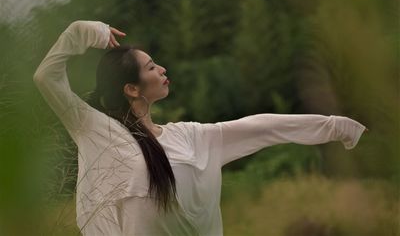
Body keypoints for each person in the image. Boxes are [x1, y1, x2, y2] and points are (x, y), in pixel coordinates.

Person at [33, 20, 368, 236]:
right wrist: (83, 32)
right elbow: (46, 77)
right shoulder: (98, 131)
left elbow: (260, 127)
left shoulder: (190, 137)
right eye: (151, 66)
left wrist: (335, 126)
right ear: (132, 89)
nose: (162, 69)